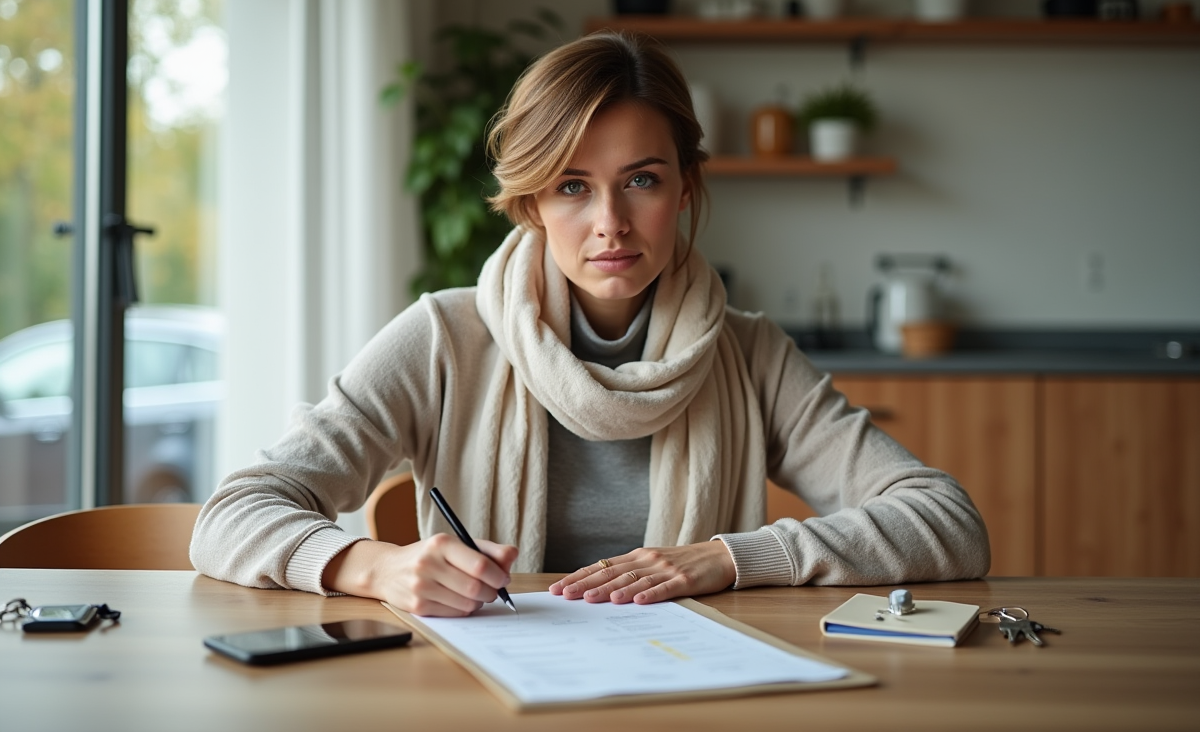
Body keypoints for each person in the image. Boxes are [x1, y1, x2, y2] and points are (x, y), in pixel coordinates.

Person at [191, 31, 989, 617]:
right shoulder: (444, 336)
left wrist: (730, 558)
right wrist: (372, 567)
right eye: (573, 186)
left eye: (640, 179)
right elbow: (233, 515)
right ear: (532, 202)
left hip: (695, 678)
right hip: (485, 689)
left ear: (683, 189)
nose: (610, 222)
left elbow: (947, 523)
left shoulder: (748, 353)